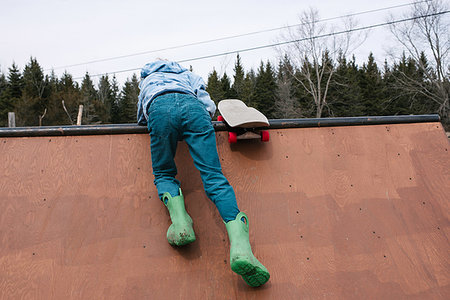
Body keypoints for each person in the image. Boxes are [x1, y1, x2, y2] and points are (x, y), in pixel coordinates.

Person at [137, 60, 270, 287]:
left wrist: (166, 126)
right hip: (193, 109)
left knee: (164, 173)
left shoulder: (149, 80)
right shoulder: (189, 76)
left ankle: (181, 225)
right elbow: (208, 106)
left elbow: (142, 116)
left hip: (160, 110)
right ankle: (241, 249)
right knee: (214, 178)